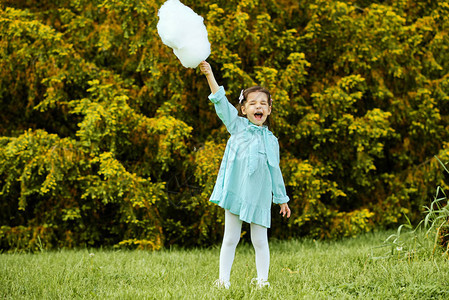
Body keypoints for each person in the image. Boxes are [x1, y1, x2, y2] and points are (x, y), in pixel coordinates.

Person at [199, 61, 291, 289]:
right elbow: (220, 102)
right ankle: (223, 281)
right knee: (230, 238)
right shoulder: (237, 126)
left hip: (259, 196)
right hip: (236, 192)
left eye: (263, 104)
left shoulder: (271, 141)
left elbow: (275, 170)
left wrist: (282, 199)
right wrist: (209, 74)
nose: (258, 107)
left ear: (269, 110)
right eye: (252, 103)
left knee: (260, 240)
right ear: (243, 109)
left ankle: (262, 282)